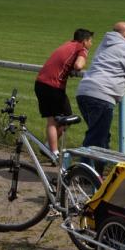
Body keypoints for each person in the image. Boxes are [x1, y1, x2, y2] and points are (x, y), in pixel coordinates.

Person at [76, 22, 125, 155]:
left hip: (84, 92)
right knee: (96, 139)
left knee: (101, 135)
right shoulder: (124, 48)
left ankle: (95, 171)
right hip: (102, 96)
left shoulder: (103, 44)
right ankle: (85, 172)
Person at [34, 28, 93, 157]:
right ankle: (53, 153)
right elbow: (78, 66)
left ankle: (48, 147)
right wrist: (82, 58)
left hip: (40, 83)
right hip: (53, 86)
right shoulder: (81, 48)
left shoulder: (67, 44)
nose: (91, 44)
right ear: (84, 41)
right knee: (56, 120)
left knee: (63, 119)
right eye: (90, 41)